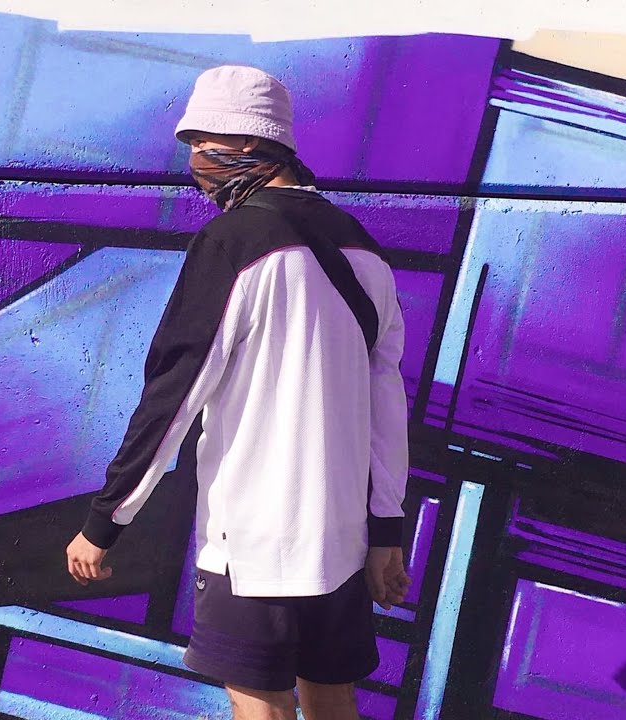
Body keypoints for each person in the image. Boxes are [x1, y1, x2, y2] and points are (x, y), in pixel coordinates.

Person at [65, 65, 410, 720]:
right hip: (341, 539)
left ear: (249, 142)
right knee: (331, 697)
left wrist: (107, 520)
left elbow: (174, 391)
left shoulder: (231, 242)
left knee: (258, 702)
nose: (194, 162)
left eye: (203, 143)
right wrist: (385, 530)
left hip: (254, 540)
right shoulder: (364, 250)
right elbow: (387, 406)